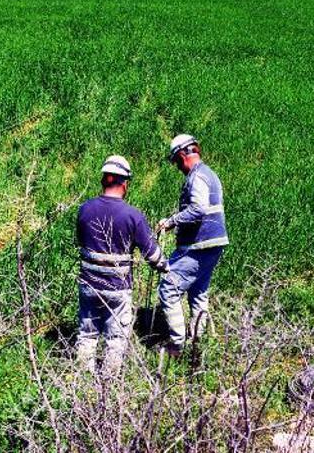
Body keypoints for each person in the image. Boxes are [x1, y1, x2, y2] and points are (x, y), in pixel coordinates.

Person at [75, 155, 168, 375]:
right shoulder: (132, 215)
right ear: (125, 183)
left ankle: (83, 381)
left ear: (103, 180)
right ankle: (108, 383)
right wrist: (164, 266)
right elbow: (152, 254)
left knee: (87, 334)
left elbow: (80, 241)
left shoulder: (84, 209)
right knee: (116, 338)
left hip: (88, 284)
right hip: (117, 287)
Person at [156, 134, 229, 355]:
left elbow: (199, 209)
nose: (178, 167)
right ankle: (199, 343)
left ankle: (177, 346)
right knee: (198, 291)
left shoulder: (196, 176)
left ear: (181, 155)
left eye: (176, 162)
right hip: (214, 244)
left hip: (200, 244)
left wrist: (170, 222)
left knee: (168, 288)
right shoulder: (211, 174)